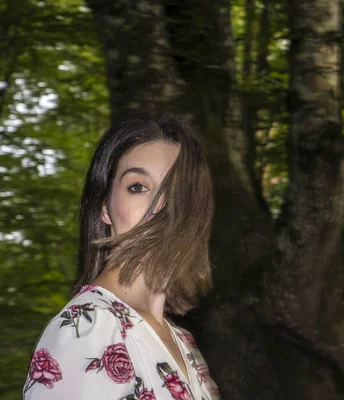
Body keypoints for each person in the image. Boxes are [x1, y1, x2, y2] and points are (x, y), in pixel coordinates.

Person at [22, 112, 220, 399]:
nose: (159, 206)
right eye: (138, 187)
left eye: (176, 191)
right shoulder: (89, 327)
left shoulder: (182, 341)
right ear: (104, 208)